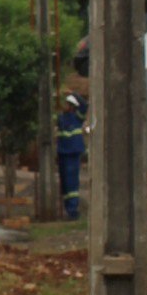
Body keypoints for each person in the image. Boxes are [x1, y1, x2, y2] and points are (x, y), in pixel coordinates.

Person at [56, 90, 87, 220]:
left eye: (68, 103)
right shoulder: (61, 118)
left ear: (73, 106)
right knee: (65, 185)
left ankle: (73, 211)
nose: (65, 105)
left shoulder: (77, 117)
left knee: (72, 183)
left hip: (72, 154)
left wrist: (75, 94)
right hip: (63, 154)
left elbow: (85, 105)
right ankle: (69, 210)